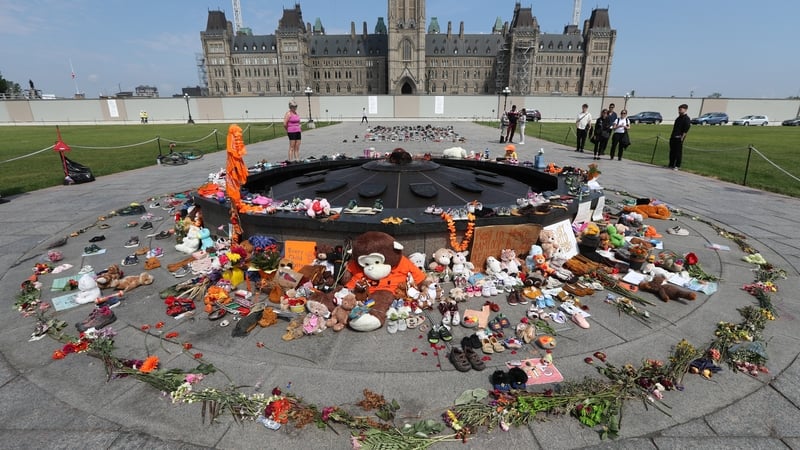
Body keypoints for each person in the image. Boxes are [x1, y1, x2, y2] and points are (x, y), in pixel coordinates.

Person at [669, 104, 692, 170]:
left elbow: (686, 129)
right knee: (672, 151)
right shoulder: (678, 118)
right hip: (673, 136)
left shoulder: (686, 119)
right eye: (679, 109)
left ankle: (677, 165)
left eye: (681, 109)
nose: (679, 111)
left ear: (685, 110)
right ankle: (671, 164)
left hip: (679, 137)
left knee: (678, 152)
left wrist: (682, 137)